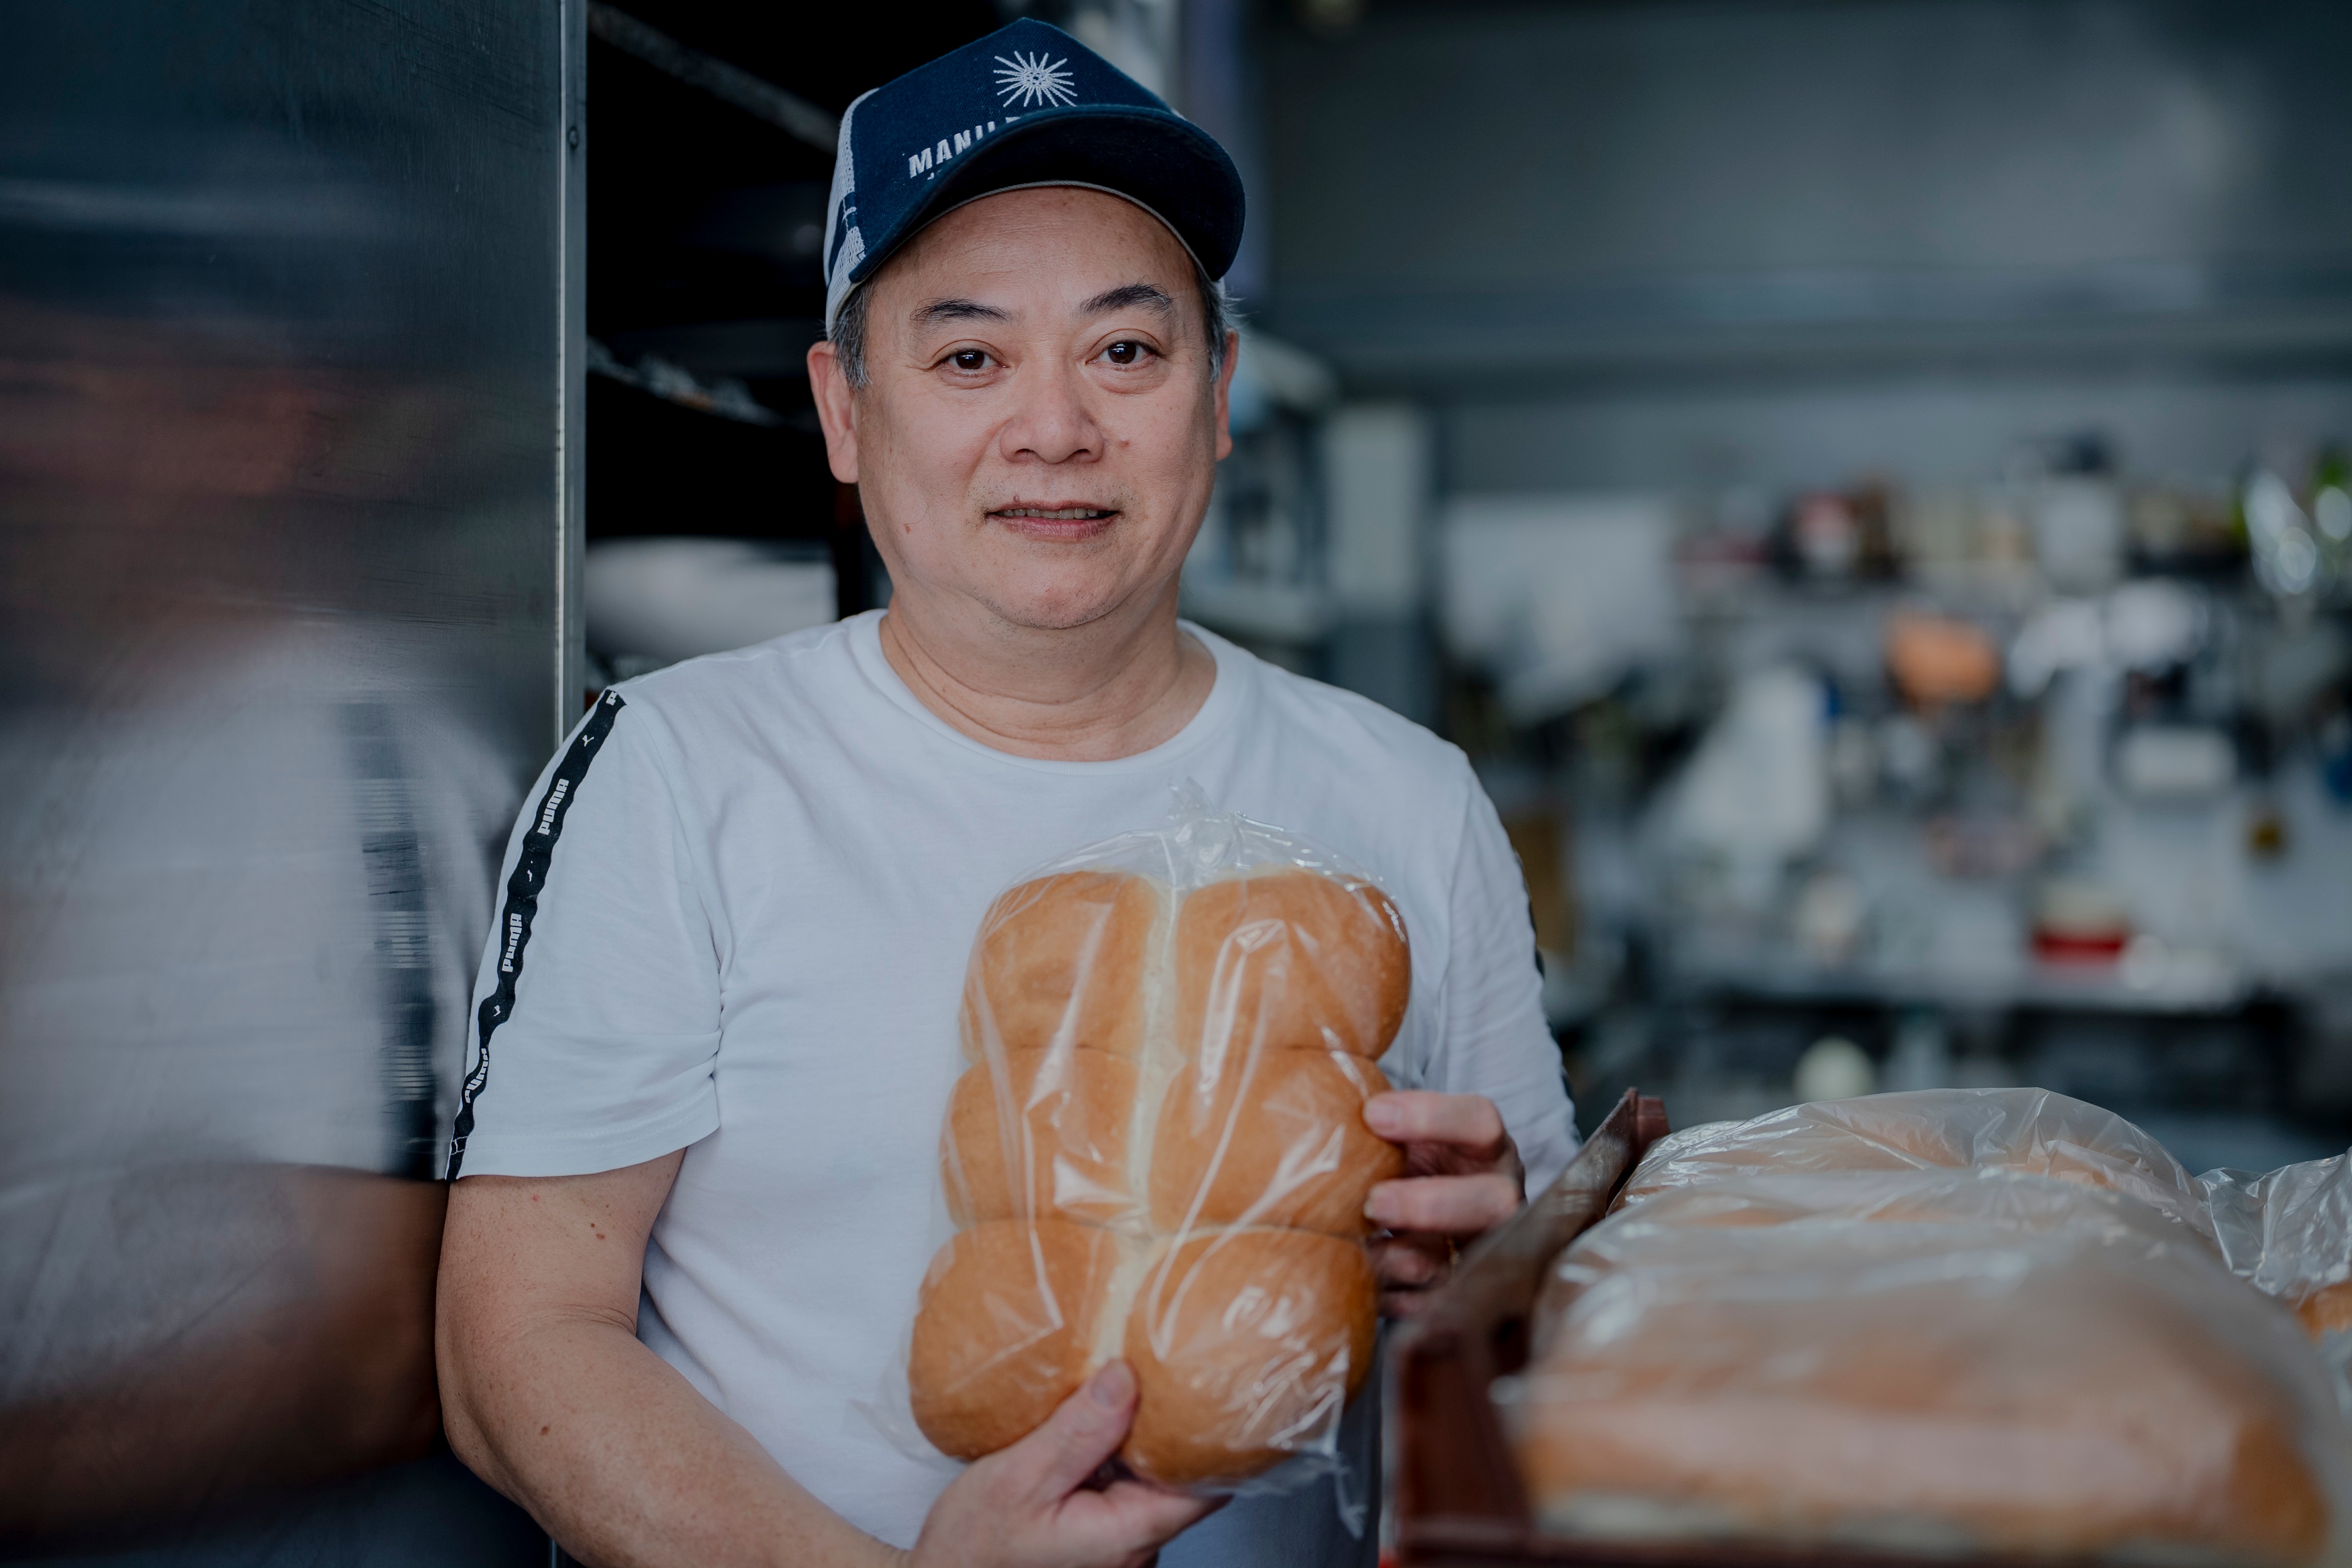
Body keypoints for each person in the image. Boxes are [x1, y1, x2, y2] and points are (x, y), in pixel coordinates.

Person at [436, 20, 1576, 1567]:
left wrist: (1497, 1273)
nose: (1057, 427)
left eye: (1127, 351)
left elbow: (1555, 1349)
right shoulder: (677, 774)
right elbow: (516, 1349)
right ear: (847, 412)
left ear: (1219, 396)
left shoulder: (1411, 800)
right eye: (970, 357)